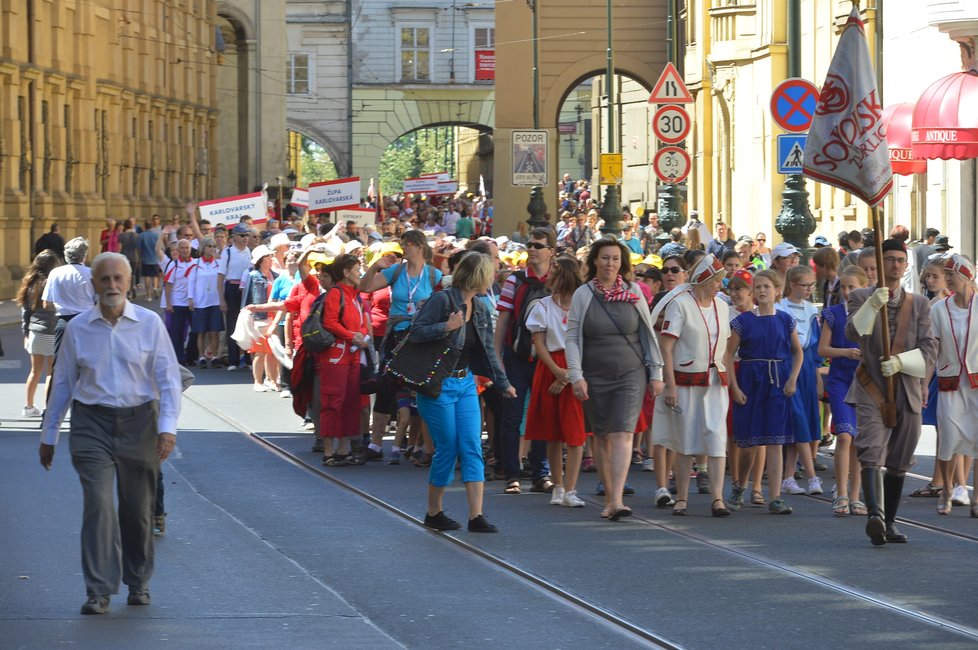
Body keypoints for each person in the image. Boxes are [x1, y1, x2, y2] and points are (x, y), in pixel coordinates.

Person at [39, 252, 182, 615]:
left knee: (137, 509)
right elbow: (63, 383)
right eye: (105, 279)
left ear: (129, 282)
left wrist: (167, 429)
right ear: (93, 285)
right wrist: (49, 434)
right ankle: (98, 590)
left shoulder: (149, 324)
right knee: (99, 504)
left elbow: (168, 381)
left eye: (118, 278)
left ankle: (138, 580)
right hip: (92, 424)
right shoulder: (78, 328)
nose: (112, 285)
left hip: (140, 423)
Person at [411, 252, 516, 533]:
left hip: (465, 382)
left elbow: (489, 351)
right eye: (490, 273)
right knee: (448, 446)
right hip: (438, 384)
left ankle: (476, 516)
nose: (493, 278)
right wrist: (446, 326)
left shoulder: (480, 307)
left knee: (471, 445)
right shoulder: (441, 300)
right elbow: (415, 332)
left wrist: (504, 383)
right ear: (478, 275)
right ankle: (434, 511)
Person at [845, 238, 937, 545]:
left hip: (906, 387)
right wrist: (873, 305)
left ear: (906, 265)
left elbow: (929, 347)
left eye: (900, 260)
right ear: (880, 265)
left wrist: (901, 361)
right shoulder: (860, 296)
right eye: (889, 260)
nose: (895, 265)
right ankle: (875, 516)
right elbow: (853, 332)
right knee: (871, 451)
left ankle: (889, 521)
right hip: (872, 386)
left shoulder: (920, 303)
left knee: (899, 459)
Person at [566, 237, 664, 520]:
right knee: (602, 435)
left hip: (630, 372)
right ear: (595, 261)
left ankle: (617, 499)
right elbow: (572, 338)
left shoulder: (634, 292)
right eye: (605, 258)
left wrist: (655, 373)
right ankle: (609, 497)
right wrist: (576, 376)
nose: (610, 263)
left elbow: (648, 334)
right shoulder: (583, 294)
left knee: (622, 433)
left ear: (622, 264)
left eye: (615, 259)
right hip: (594, 373)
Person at [653, 254, 731, 517]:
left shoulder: (722, 307)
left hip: (715, 381)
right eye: (717, 281)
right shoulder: (681, 305)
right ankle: (682, 498)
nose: (720, 286)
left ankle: (718, 498)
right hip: (686, 381)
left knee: (717, 438)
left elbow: (726, 348)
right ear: (704, 279)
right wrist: (670, 385)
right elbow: (666, 345)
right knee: (685, 440)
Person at [360, 230, 442, 466]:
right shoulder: (395, 272)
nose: (402, 249)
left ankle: (418, 444)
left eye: (405, 244)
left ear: (417, 245)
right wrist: (375, 266)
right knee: (386, 385)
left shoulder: (434, 275)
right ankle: (375, 443)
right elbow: (365, 287)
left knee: (419, 390)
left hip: (420, 338)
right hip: (397, 336)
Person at [725, 269, 803, 514]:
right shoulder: (743, 321)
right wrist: (734, 386)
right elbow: (727, 355)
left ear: (777, 290)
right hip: (751, 379)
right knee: (749, 442)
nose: (761, 291)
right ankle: (741, 485)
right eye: (757, 287)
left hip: (777, 380)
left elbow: (797, 351)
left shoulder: (785, 319)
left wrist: (792, 379)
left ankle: (776, 496)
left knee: (775, 441)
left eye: (766, 286)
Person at [494, 227, 556, 495]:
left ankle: (541, 473)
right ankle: (512, 474)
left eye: (538, 245)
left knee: (542, 415)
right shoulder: (514, 280)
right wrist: (495, 357)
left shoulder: (558, 280)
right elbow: (504, 319)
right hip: (517, 356)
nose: (531, 249)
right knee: (512, 415)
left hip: (548, 358)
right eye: (530, 244)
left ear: (551, 251)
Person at [524, 256, 588, 508]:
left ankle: (571, 489)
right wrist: (556, 371)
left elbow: (586, 342)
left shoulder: (582, 306)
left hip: (576, 366)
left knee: (575, 433)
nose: (548, 277)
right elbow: (539, 343)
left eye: (554, 273)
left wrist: (569, 375)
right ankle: (558, 486)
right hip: (550, 366)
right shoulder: (543, 306)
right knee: (552, 433)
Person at [818, 266, 868, 516]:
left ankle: (856, 496)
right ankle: (841, 492)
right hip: (839, 381)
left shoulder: (872, 314)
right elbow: (822, 350)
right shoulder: (833, 314)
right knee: (845, 436)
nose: (847, 292)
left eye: (852, 286)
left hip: (864, 383)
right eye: (843, 287)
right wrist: (845, 352)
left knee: (858, 440)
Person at [930, 254, 978, 517]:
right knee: (948, 435)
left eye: (952, 274)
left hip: (976, 382)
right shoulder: (938, 309)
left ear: (967, 276)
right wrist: (922, 383)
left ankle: (976, 498)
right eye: (945, 274)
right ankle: (947, 490)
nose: (947, 279)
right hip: (949, 381)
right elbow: (931, 349)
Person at [316, 254, 370, 466]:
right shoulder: (335, 294)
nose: (360, 273)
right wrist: (352, 335)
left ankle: (343, 448)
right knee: (333, 402)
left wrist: (362, 335)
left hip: (353, 355)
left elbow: (362, 323)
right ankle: (329, 451)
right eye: (357, 269)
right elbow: (329, 322)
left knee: (350, 402)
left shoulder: (355, 295)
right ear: (346, 273)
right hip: (335, 357)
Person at [777, 265, 823, 497]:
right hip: (787, 366)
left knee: (801, 421)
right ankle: (812, 475)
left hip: (806, 369)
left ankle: (788, 476)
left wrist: (817, 376)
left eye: (811, 285)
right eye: (804, 285)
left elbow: (814, 348)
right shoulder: (780, 308)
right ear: (792, 284)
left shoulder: (811, 310)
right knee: (797, 420)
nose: (809, 289)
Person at [18, 250, 61, 417]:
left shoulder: (30, 283)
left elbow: (25, 312)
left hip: (35, 331)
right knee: (51, 372)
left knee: (35, 371)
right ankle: (48, 408)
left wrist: (26, 333)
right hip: (51, 331)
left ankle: (28, 407)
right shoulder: (54, 283)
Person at [42, 237, 96, 358]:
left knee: (60, 367)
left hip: (64, 324)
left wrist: (63, 304)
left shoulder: (55, 273)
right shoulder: (92, 273)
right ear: (84, 254)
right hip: (86, 322)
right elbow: (98, 301)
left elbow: (46, 304)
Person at [242, 245, 279, 392]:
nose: (271, 259)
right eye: (268, 256)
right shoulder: (252, 276)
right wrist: (247, 315)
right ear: (261, 260)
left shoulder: (276, 275)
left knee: (273, 351)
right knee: (260, 351)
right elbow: (246, 298)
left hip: (274, 317)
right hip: (259, 317)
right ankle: (258, 381)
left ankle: (272, 380)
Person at [219, 224, 253, 371]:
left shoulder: (249, 252)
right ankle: (233, 360)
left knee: (247, 323)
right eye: (242, 235)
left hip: (245, 288)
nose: (245, 238)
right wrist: (222, 299)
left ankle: (247, 359)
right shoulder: (227, 252)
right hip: (232, 288)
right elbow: (220, 277)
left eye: (247, 235)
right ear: (234, 237)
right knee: (232, 324)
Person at [188, 237, 224, 368]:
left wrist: (222, 299)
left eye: (214, 246)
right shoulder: (195, 264)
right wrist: (190, 298)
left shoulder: (219, 263)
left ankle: (214, 356)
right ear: (203, 249)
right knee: (201, 331)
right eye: (209, 246)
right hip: (200, 301)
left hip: (215, 301)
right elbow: (191, 281)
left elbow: (222, 281)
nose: (212, 249)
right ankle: (202, 357)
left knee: (214, 331)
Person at [162, 239, 195, 365]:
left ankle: (191, 356)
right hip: (177, 302)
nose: (185, 250)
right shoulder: (173, 264)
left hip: (192, 303)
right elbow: (168, 285)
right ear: (178, 250)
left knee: (196, 330)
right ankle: (179, 358)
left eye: (187, 248)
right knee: (178, 331)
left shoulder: (195, 263)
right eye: (182, 248)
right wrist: (168, 303)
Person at [137, 220, 162, 300]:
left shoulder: (141, 235)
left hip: (145, 259)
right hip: (154, 258)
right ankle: (155, 288)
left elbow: (138, 248)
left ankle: (149, 296)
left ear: (145, 226)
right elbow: (159, 247)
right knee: (155, 275)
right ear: (151, 226)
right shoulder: (156, 235)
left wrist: (140, 256)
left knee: (147, 276)